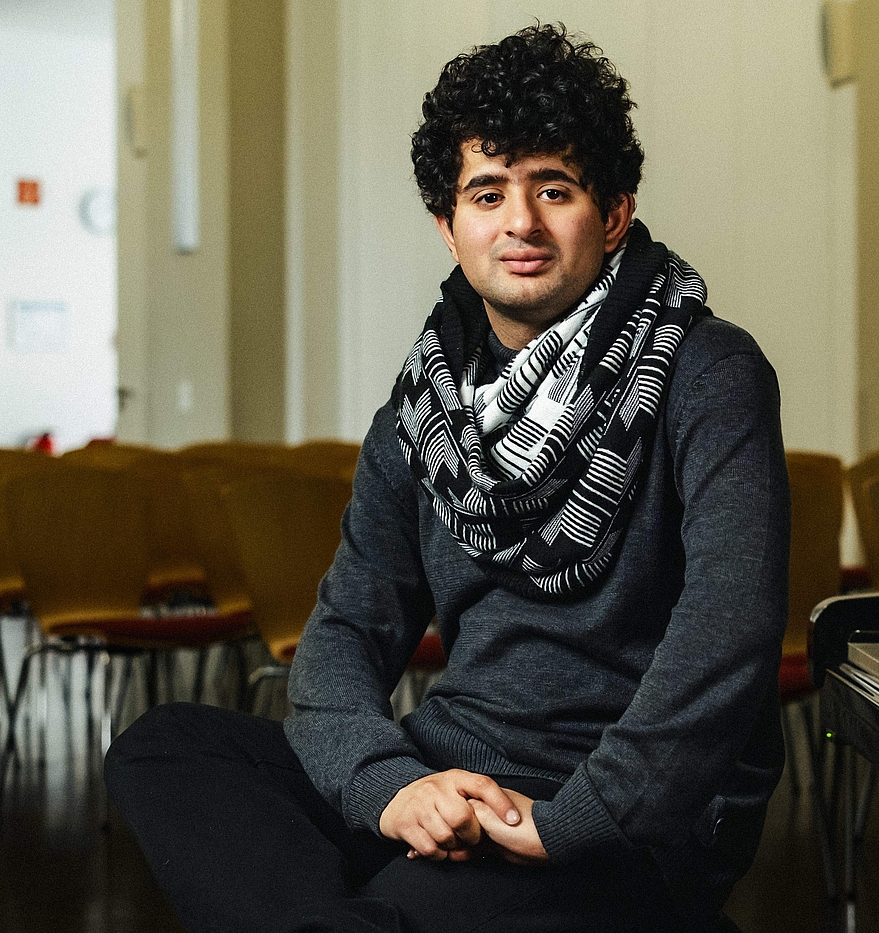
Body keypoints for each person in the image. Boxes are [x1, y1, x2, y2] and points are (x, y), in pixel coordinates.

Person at [106, 22, 790, 933]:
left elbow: (730, 631)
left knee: (392, 903)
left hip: (604, 805)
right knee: (167, 746)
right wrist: (392, 789)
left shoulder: (708, 371)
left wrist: (576, 819)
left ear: (615, 212)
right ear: (449, 225)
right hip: (448, 772)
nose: (521, 223)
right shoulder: (421, 412)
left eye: (555, 189)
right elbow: (343, 637)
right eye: (487, 192)